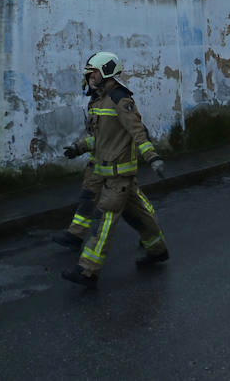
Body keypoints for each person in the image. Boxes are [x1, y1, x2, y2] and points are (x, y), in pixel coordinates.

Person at [61, 51, 169, 288]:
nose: (90, 77)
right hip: (106, 174)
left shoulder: (121, 99)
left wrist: (153, 158)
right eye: (89, 74)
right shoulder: (98, 101)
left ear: (106, 72)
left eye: (94, 73)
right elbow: (99, 138)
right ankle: (157, 250)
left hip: (118, 175)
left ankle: (88, 272)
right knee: (139, 215)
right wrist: (77, 148)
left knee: (104, 222)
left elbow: (138, 132)